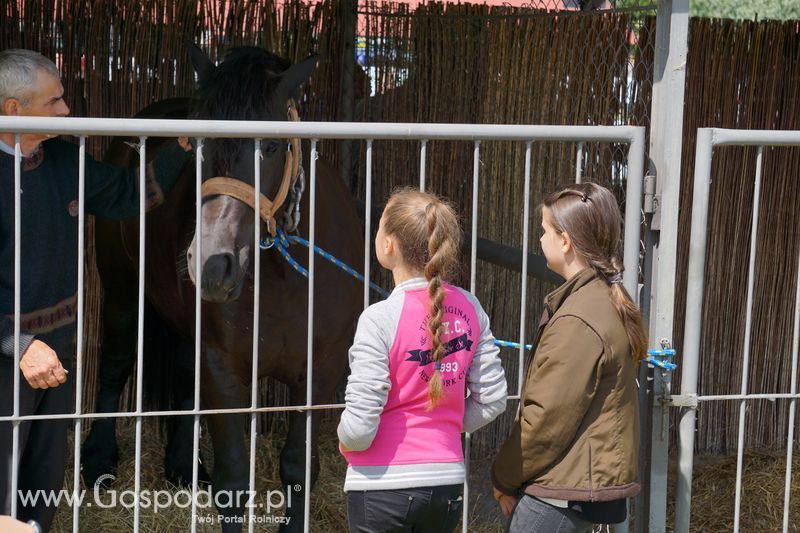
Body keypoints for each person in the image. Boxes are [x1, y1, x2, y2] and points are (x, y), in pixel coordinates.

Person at [0, 49, 191, 531]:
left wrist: (183, 146)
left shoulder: (63, 156)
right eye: (55, 101)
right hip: (6, 358)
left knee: (41, 476)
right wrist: (18, 345)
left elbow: (130, 193)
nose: (68, 111)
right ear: (13, 109)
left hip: (56, 349)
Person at [337, 188, 507, 532]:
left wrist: (344, 438)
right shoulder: (471, 307)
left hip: (380, 487)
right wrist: (441, 427)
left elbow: (359, 427)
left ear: (389, 245)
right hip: (446, 485)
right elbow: (493, 400)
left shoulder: (378, 318)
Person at [491, 182, 645, 532]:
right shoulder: (598, 299)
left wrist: (503, 476)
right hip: (567, 493)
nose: (540, 239)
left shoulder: (578, 318)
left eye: (545, 230)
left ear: (566, 241)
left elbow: (546, 423)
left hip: (556, 501)